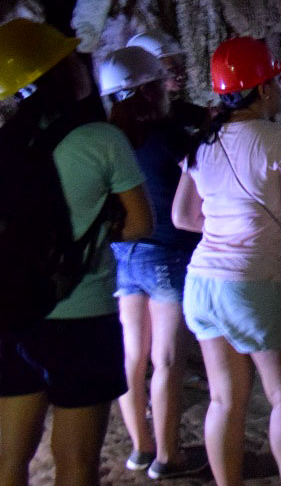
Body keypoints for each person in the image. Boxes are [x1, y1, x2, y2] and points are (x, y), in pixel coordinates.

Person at [0, 18, 153, 486]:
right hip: (83, 317)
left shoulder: (4, 144)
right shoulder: (102, 139)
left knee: (8, 462)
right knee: (76, 463)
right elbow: (140, 225)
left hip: (12, 314)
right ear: (59, 73)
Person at [171, 36, 281, 486]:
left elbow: (183, 216)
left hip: (202, 283)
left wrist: (226, 226)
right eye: (275, 80)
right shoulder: (280, 138)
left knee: (224, 400)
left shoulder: (201, 143)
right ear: (264, 88)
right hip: (259, 281)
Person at [99, 46, 206, 479]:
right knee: (166, 360)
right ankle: (168, 456)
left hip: (123, 255)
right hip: (167, 254)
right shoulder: (169, 137)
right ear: (148, 90)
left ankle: (141, 448)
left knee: (132, 356)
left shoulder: (107, 138)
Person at [128, 29, 209, 138]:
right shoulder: (144, 129)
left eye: (181, 67)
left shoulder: (178, 110)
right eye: (171, 70)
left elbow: (206, 116)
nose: (181, 75)